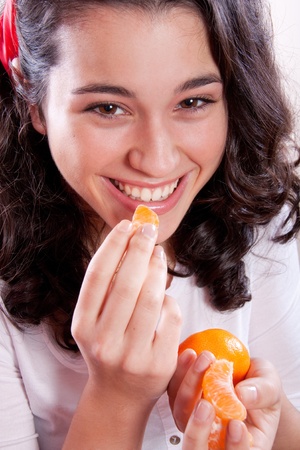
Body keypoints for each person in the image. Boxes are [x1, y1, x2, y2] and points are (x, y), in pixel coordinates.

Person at [0, 0, 299, 448]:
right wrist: (116, 396)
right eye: (108, 108)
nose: (157, 160)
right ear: (33, 98)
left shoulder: (260, 220)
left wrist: (266, 420)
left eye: (193, 102)